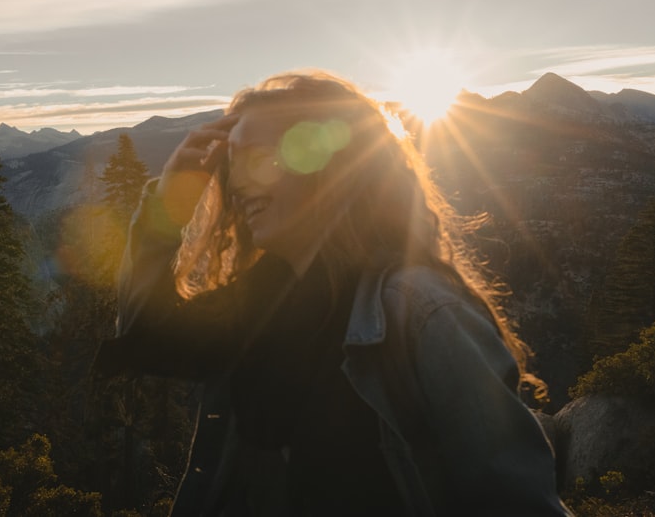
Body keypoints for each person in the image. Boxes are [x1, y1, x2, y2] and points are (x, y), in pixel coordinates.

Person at [95, 70, 572, 516]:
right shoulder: (262, 302)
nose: (236, 184)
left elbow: (517, 501)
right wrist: (168, 202)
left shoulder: (422, 313)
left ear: (332, 167)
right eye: (232, 163)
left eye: (259, 159)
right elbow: (146, 336)